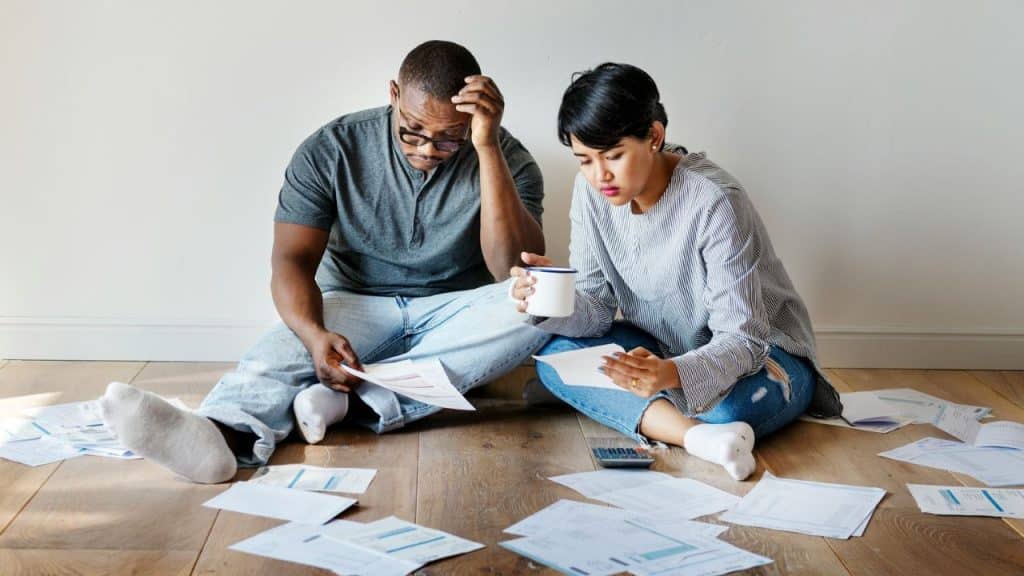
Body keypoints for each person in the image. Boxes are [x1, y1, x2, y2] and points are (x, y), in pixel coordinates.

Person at [100, 40, 550, 483]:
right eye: (413, 129)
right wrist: (314, 335)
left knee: (539, 307)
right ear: (393, 95)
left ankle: (352, 404)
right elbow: (290, 260)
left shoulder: (507, 158)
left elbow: (510, 268)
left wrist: (485, 148)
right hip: (354, 304)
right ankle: (218, 433)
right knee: (281, 349)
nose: (428, 149)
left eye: (449, 139)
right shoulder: (333, 148)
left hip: (455, 311)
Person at [510, 63, 841, 481]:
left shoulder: (715, 200)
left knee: (727, 409)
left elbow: (744, 338)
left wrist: (672, 373)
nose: (600, 176)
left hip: (766, 355)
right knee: (556, 356)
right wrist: (544, 300)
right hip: (666, 348)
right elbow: (595, 311)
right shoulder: (591, 192)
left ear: (654, 136)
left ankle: (656, 414)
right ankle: (699, 438)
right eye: (584, 160)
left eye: (613, 156)